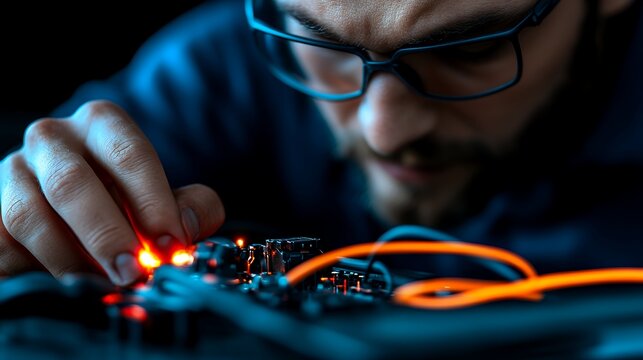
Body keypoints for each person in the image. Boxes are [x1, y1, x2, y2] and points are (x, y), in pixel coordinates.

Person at [0, 0, 641, 286]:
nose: (382, 130)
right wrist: (30, 213)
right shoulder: (219, 72)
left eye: (471, 49)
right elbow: (43, 208)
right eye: (322, 44)